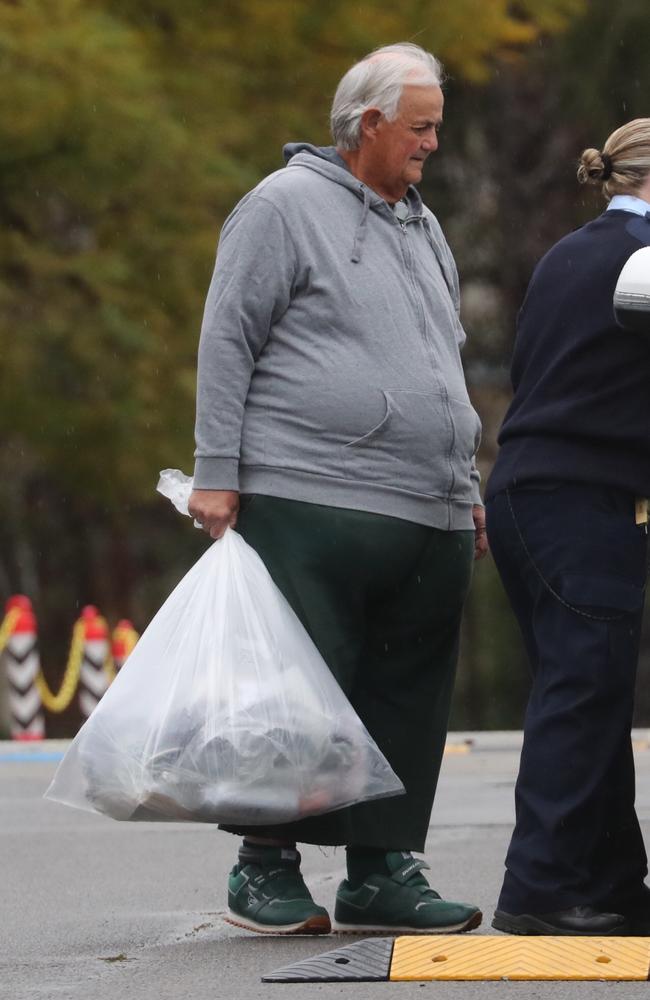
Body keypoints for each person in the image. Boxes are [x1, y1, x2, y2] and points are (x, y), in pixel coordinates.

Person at [188, 42, 487, 937]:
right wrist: (215, 471)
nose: (434, 143)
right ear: (369, 125)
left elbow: (447, 360)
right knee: (296, 691)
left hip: (425, 503)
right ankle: (263, 867)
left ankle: (382, 870)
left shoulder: (424, 225)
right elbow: (227, 336)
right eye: (421, 127)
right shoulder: (282, 207)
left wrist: (463, 483)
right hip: (307, 490)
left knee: (408, 690)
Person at [486, 119, 650, 936]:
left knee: (592, 688)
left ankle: (615, 883)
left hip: (532, 493)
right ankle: (541, 889)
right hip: (578, 499)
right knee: (582, 690)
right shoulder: (641, 262)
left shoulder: (572, 252)